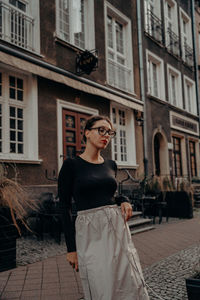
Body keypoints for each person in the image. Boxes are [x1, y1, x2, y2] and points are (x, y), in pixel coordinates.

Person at [58, 115, 149, 300]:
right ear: (87, 133)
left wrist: (123, 199)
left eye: (110, 132)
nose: (106, 135)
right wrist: (71, 249)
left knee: (127, 278)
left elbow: (110, 195)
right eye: (101, 130)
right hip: (90, 230)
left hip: (116, 227)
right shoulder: (71, 165)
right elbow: (64, 206)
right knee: (100, 282)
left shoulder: (111, 165)